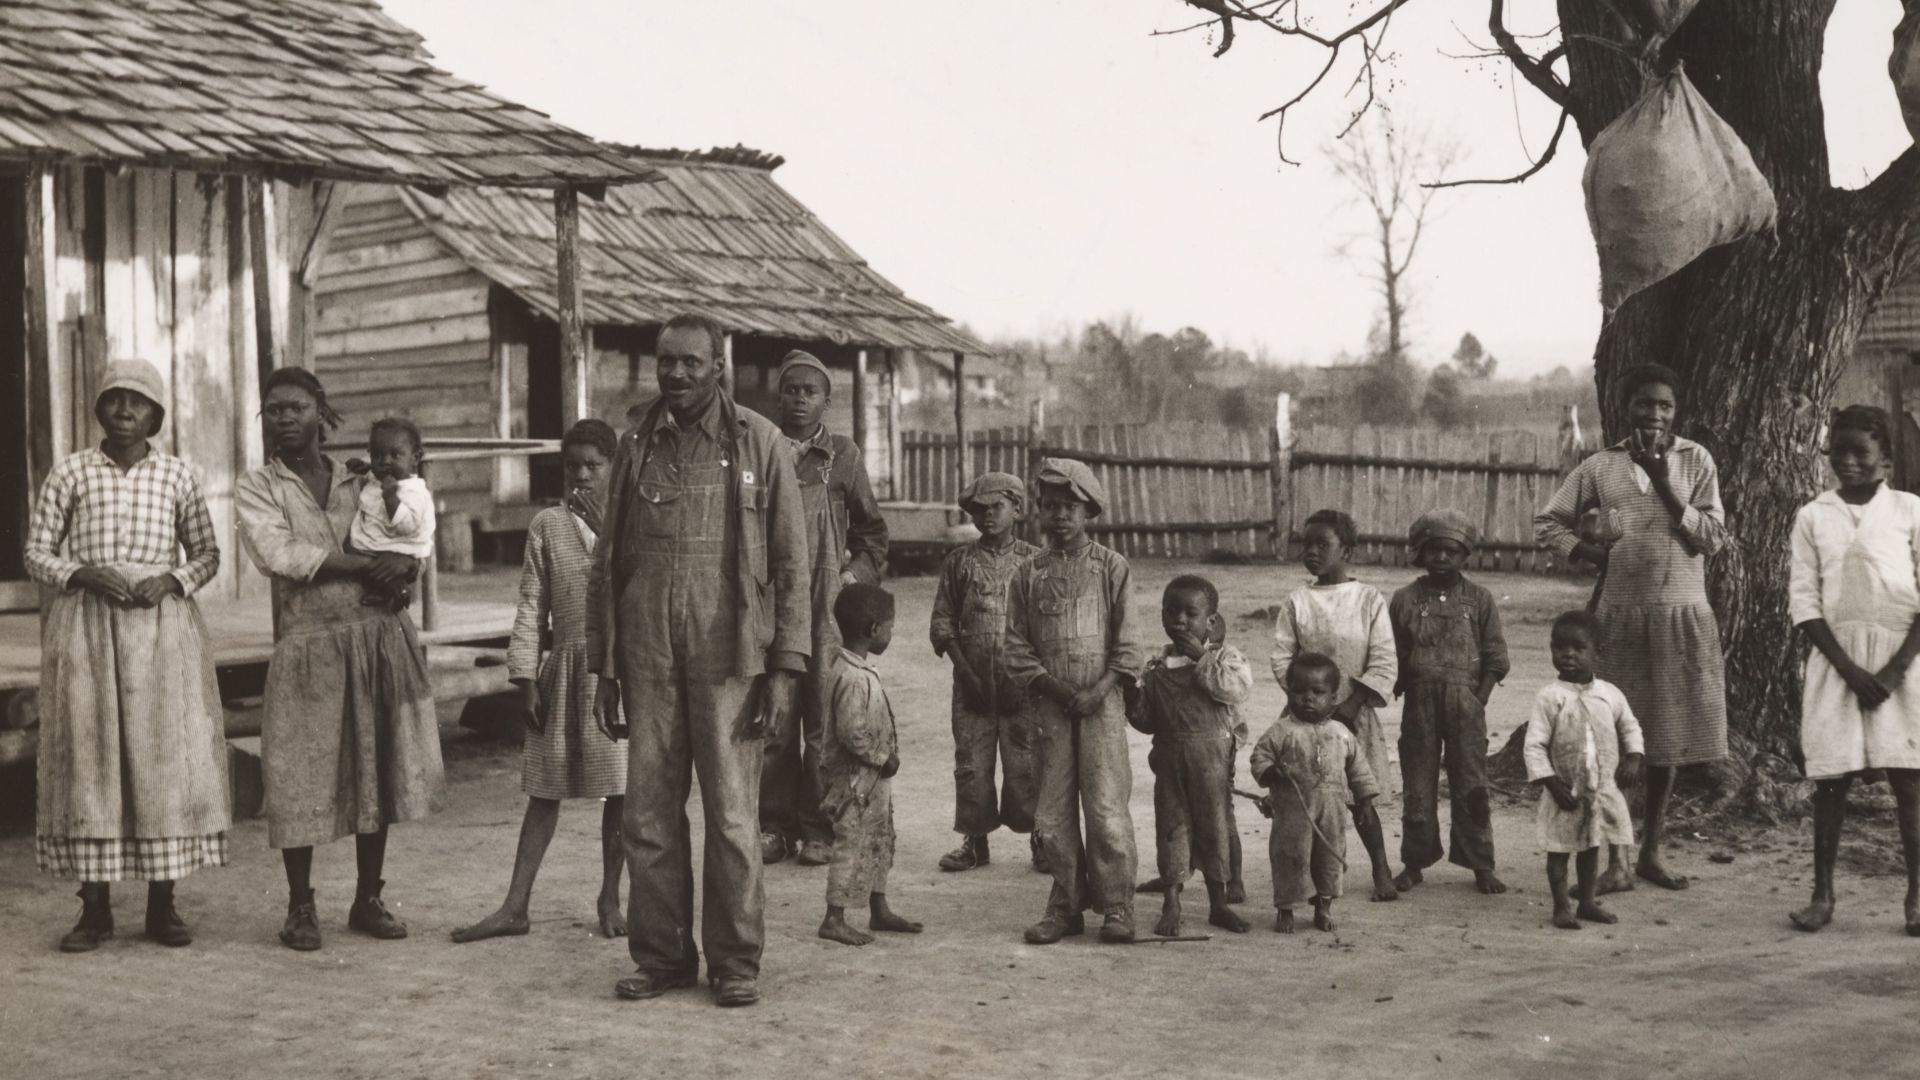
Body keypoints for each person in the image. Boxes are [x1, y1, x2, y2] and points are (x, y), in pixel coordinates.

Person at [590, 312, 811, 1008]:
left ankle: (736, 961)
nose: (676, 374)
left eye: (690, 362)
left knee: (734, 815)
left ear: (719, 365)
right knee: (648, 815)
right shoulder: (634, 445)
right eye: (666, 362)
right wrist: (606, 667)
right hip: (649, 656)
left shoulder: (762, 443)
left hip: (732, 660)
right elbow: (606, 564)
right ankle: (660, 959)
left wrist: (783, 670)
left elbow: (791, 566)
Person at [235, 367, 444, 951]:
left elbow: (410, 532)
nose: (284, 417)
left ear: (319, 411)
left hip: (375, 633)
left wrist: (407, 572)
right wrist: (363, 566)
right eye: (273, 408)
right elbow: (279, 553)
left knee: (374, 764)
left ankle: (367, 897)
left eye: (296, 407)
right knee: (297, 770)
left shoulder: (362, 478)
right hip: (308, 642)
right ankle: (301, 906)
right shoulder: (260, 487)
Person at [26, 359, 230, 952]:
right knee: (92, 757)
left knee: (159, 756)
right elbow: (37, 552)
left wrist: (170, 580)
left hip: (160, 632)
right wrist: (82, 573)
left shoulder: (178, 477)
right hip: (87, 629)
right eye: (113, 400)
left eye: (137, 402)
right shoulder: (70, 473)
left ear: (156, 416)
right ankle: (94, 910)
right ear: (98, 410)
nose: (124, 411)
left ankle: (162, 906)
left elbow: (208, 553)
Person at [1536, 362, 1729, 893]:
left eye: (1665, 406)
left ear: (1677, 411)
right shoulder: (1601, 467)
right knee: (1611, 739)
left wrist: (1666, 484)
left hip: (1680, 615)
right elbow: (1547, 521)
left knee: (1664, 742)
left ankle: (1651, 852)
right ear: (1627, 408)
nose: (1655, 414)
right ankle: (1614, 860)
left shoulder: (1695, 461)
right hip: (1619, 618)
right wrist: (1589, 552)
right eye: (1645, 404)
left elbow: (1711, 539)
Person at [453, 420, 630, 944]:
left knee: (619, 790)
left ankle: (610, 897)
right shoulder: (547, 525)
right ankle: (515, 905)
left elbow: (634, 589)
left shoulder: (631, 523)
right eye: (571, 466)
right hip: (565, 671)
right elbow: (532, 605)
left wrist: (612, 534)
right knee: (544, 789)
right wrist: (525, 676)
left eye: (593, 467)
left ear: (614, 468)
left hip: (615, 674)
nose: (581, 476)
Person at [1785, 405, 1920, 935]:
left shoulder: (1910, 511)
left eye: (1860, 452)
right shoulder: (1813, 516)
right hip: (1836, 661)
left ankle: (1915, 896)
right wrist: (1847, 669)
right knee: (1831, 780)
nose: (1847, 461)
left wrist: (1891, 672)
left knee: (1909, 780)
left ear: (1885, 458)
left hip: (1903, 664)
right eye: (1837, 451)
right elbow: (1804, 602)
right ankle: (1822, 895)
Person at [1000, 457, 1142, 944]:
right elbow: (1014, 646)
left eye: (1070, 507)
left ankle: (1118, 906)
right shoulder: (1027, 573)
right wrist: (1057, 690)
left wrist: (1099, 691)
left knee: (1105, 807)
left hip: (1101, 708)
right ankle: (1064, 904)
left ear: (1090, 511)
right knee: (1053, 810)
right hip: (1050, 710)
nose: (1059, 516)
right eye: (1051, 507)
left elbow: (1128, 645)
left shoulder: (1112, 567)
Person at [760, 350, 889, 867]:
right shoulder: (761, 450)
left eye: (809, 391)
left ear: (826, 401)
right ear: (779, 396)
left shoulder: (844, 456)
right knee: (774, 715)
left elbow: (872, 532)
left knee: (822, 720)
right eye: (791, 390)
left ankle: (818, 827)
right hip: (771, 601)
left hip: (826, 609)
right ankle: (773, 826)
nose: (798, 399)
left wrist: (853, 576)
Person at [1270, 508, 1401, 902]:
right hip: (1305, 716)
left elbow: (1383, 658)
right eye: (1305, 545)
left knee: (1360, 795)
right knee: (1305, 796)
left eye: (1322, 545)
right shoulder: (1298, 601)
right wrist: (1305, 698)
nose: (1311, 552)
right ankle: (1309, 880)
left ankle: (1381, 868)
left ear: (1347, 550)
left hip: (1353, 715)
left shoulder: (1368, 600)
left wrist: (1351, 702)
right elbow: (1281, 656)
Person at [1389, 509, 1510, 896]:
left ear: (1465, 556)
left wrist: (1478, 699)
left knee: (1471, 786)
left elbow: (1495, 658)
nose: (1442, 558)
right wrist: (1399, 685)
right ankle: (1414, 863)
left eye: (1451, 551)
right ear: (1421, 552)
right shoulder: (1405, 599)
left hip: (1466, 707)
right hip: (1419, 707)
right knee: (1418, 786)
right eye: (1434, 550)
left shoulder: (1480, 600)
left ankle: (1481, 864)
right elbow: (1392, 653)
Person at [1126, 575, 1253, 936]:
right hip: (1170, 764)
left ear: (1210, 621)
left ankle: (1218, 904)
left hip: (1211, 765)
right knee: (1171, 831)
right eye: (1171, 611)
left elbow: (1234, 690)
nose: (1179, 620)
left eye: (1190, 613)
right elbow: (1147, 722)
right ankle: (1172, 905)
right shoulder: (1157, 667)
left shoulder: (1225, 658)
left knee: (1214, 829)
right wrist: (1132, 700)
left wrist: (1202, 658)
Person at [929, 471, 1042, 873]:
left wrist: (1022, 677)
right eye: (979, 510)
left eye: (997, 507)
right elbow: (943, 624)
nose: (988, 516)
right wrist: (966, 673)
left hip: (1023, 688)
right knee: (972, 765)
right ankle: (974, 841)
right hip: (972, 686)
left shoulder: (1034, 562)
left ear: (1017, 508)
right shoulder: (959, 562)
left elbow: (1044, 632)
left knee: (1026, 763)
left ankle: (1040, 838)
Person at [817, 583, 924, 946]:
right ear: (873, 629)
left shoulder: (857, 668)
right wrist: (883, 757)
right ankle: (834, 917)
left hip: (871, 781)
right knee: (852, 842)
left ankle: (879, 907)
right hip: (854, 781)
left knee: (880, 838)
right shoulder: (851, 677)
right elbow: (851, 733)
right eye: (890, 626)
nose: (892, 633)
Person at [1523, 611, 1644, 931]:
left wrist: (1634, 756)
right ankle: (1562, 906)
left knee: (1591, 846)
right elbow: (1534, 744)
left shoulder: (1609, 694)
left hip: (1601, 789)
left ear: (1597, 652)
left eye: (1579, 647)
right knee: (1560, 851)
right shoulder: (1550, 697)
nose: (1568, 655)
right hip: (1565, 791)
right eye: (1559, 647)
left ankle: (1588, 901)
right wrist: (1550, 782)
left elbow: (1629, 726)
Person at [1252, 653, 1382, 934]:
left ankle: (1323, 908)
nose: (1307, 698)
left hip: (1331, 814)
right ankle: (1285, 908)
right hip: (1292, 813)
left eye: (1317, 692)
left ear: (1334, 698)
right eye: (1298, 691)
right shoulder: (1281, 730)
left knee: (1328, 860)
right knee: (1290, 857)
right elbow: (1260, 757)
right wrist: (1271, 772)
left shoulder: (1341, 733)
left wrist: (1366, 803)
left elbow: (1359, 770)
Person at [345, 417, 435, 611]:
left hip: (397, 546)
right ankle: (390, 590)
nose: (385, 461)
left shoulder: (413, 491)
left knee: (374, 566)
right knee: (355, 553)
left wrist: (391, 498)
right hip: (378, 544)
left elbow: (408, 526)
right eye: (377, 455)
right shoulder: (381, 477)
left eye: (395, 455)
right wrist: (365, 467)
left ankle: (395, 591)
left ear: (415, 458)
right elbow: (374, 474)